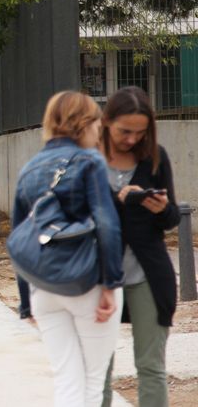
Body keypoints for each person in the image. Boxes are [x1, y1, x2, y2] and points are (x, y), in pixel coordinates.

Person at [13, 91, 124, 407]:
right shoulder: (91, 161)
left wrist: (26, 303)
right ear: (85, 123)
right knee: (92, 382)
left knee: (66, 380)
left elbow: (21, 239)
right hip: (87, 281)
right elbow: (108, 224)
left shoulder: (29, 169)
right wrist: (110, 283)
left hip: (43, 289)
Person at [99, 86, 180, 407]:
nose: (132, 139)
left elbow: (172, 215)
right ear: (106, 122)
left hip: (148, 276)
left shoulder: (155, 157)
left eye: (140, 132)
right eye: (124, 131)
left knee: (151, 366)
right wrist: (119, 201)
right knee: (98, 370)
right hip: (99, 278)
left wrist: (162, 210)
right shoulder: (88, 159)